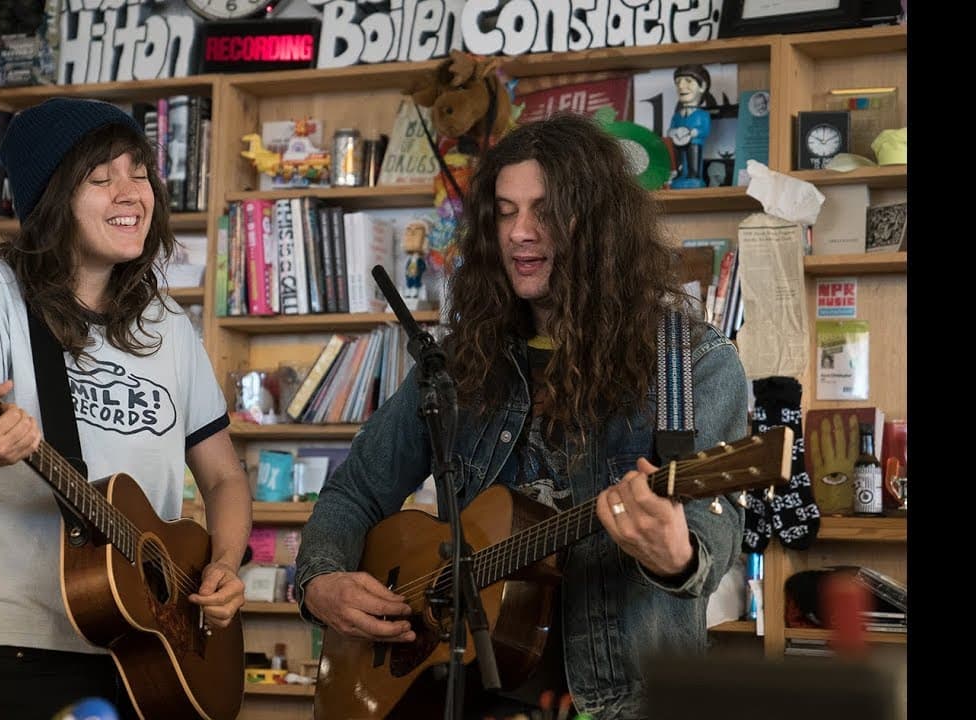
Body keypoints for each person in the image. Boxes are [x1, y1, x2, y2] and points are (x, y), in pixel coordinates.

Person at [295, 114, 748, 720]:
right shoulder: (458, 363)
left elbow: (707, 547)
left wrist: (676, 554)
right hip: (464, 696)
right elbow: (355, 490)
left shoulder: (692, 364)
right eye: (505, 212)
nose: (520, 233)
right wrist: (320, 581)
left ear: (599, 225)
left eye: (545, 211)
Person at [0, 97, 252, 720]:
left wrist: (225, 566)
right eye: (100, 179)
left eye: (139, 172)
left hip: (154, 649)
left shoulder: (167, 324)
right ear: (51, 202)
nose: (131, 193)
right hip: (16, 647)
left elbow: (224, 476)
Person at [668, 64, 712, 189]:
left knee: (693, 158)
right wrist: (672, 132)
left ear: (702, 86)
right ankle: (680, 173)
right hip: (679, 142)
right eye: (678, 82)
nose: (681, 86)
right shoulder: (677, 115)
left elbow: (705, 129)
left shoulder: (702, 114)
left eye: (688, 81)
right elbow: (672, 127)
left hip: (694, 142)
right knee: (679, 159)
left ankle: (694, 175)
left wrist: (695, 132)